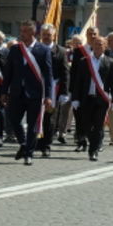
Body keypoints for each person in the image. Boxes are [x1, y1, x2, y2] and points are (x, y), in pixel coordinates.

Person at [0, 19, 52, 167]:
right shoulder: (16, 49)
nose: (21, 34)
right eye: (21, 30)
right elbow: (8, 72)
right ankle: (23, 144)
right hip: (16, 92)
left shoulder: (43, 50)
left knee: (32, 125)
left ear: (33, 32)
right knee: (13, 119)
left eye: (25, 31)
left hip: (35, 94)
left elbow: (48, 75)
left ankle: (29, 154)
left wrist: (48, 96)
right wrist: (4, 91)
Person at [71, 34, 113, 161]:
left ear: (105, 47)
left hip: (101, 100)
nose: (98, 46)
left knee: (98, 126)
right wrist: (75, 98)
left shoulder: (110, 62)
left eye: (101, 44)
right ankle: (94, 144)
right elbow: (78, 81)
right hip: (86, 98)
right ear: (92, 46)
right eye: (96, 44)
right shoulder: (84, 61)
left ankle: (93, 151)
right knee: (86, 125)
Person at [36, 23, 68, 156]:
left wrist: (64, 92)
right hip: (37, 87)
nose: (46, 37)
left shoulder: (60, 51)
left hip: (53, 88)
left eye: (49, 35)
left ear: (54, 35)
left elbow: (65, 72)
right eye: (44, 35)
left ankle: (46, 145)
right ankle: (37, 142)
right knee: (37, 116)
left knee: (50, 118)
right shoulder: (36, 49)